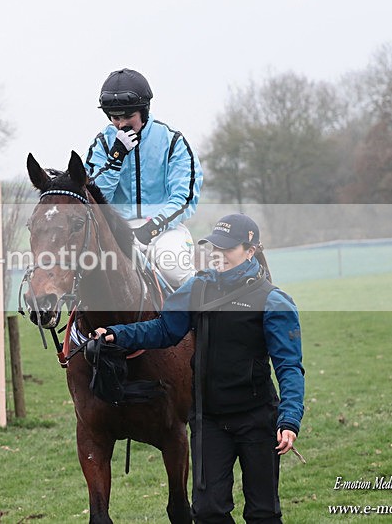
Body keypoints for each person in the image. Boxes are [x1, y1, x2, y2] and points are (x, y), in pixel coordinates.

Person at [92, 213, 305, 524]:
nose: (217, 255)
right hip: (209, 421)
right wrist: (118, 334)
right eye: (214, 248)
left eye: (227, 248)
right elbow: (164, 330)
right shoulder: (197, 288)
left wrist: (289, 418)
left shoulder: (274, 302)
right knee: (207, 512)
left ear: (250, 250)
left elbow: (289, 368)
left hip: (257, 420)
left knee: (262, 513)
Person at [84, 68, 203, 288]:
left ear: (144, 111)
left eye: (129, 117)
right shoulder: (102, 144)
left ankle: (202, 320)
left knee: (175, 270)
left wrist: (153, 227)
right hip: (116, 231)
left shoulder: (173, 141)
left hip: (165, 229)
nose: (122, 124)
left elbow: (184, 197)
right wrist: (115, 159)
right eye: (115, 118)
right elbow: (94, 197)